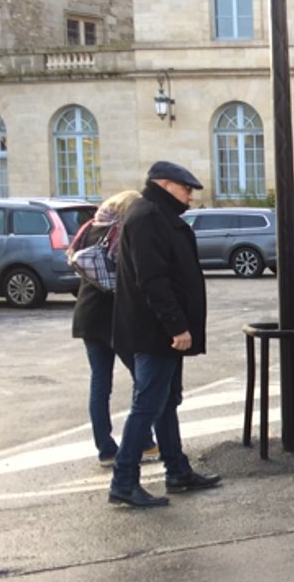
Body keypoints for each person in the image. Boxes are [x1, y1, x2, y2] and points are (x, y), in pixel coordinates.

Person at [108, 161, 222, 507]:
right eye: (186, 189)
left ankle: (177, 471)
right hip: (155, 332)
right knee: (147, 405)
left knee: (164, 402)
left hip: (160, 331)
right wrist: (177, 326)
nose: (190, 196)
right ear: (165, 184)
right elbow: (153, 280)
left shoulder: (157, 216)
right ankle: (124, 481)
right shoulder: (148, 218)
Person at [71, 190, 159, 467]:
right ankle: (143, 442)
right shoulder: (120, 233)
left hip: (87, 315)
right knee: (143, 379)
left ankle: (106, 449)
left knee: (100, 384)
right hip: (115, 317)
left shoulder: (88, 229)